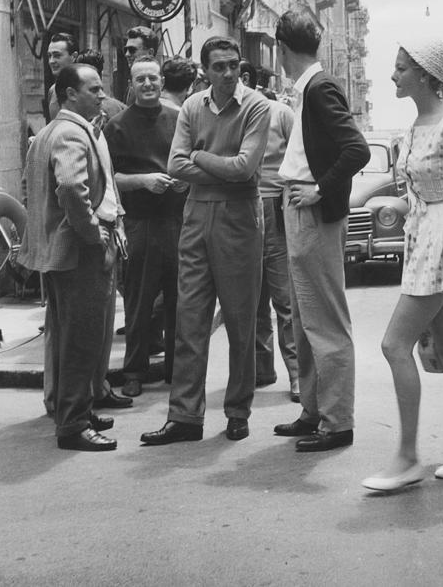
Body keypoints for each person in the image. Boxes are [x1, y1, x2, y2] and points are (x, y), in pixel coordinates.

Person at [361, 36, 443, 494]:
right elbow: (416, 192)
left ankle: (408, 457)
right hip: (422, 234)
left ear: (424, 74)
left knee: (394, 345)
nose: (393, 75)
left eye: (400, 68)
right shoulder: (415, 127)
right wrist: (374, 199)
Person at [140, 36, 270, 446]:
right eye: (219, 67)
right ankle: (184, 416)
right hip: (197, 216)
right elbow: (173, 164)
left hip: (238, 219)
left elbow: (245, 168)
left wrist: (198, 157)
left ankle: (237, 410)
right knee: (190, 319)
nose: (229, 73)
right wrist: (215, 166)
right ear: (205, 71)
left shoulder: (257, 107)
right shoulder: (193, 107)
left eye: (234, 65)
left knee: (240, 319)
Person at [272, 11, 370, 453]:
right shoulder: (307, 89)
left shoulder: (318, 87)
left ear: (281, 50)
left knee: (325, 319)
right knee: (306, 316)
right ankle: (314, 411)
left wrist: (319, 190)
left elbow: (357, 149)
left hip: (311, 214)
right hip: (298, 210)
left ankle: (337, 421)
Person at [18, 63, 126, 451]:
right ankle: (73, 425)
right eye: (94, 89)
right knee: (82, 340)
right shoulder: (70, 134)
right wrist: (93, 232)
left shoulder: (51, 131)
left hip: (61, 254)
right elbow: (69, 187)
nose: (102, 95)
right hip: (79, 254)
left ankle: (74, 409)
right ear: (69, 95)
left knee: (69, 337)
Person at [104, 57, 186, 398]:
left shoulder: (179, 120)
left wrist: (185, 180)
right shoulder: (118, 126)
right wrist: (143, 181)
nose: (148, 84)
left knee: (180, 301)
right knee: (139, 301)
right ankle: (134, 371)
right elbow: (109, 179)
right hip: (140, 224)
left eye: (153, 78)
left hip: (178, 221)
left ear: (161, 82)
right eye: (141, 80)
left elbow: (192, 159)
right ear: (132, 85)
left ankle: (177, 371)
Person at [239, 60, 300, 402]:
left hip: (275, 204)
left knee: (283, 297)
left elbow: (298, 160)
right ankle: (262, 368)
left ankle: (297, 375)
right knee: (251, 297)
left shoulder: (281, 114)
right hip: (242, 208)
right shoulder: (231, 115)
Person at [45, 32, 77, 121]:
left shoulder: (84, 89)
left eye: (57, 55)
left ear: (74, 57)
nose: (51, 61)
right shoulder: (52, 91)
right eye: (49, 56)